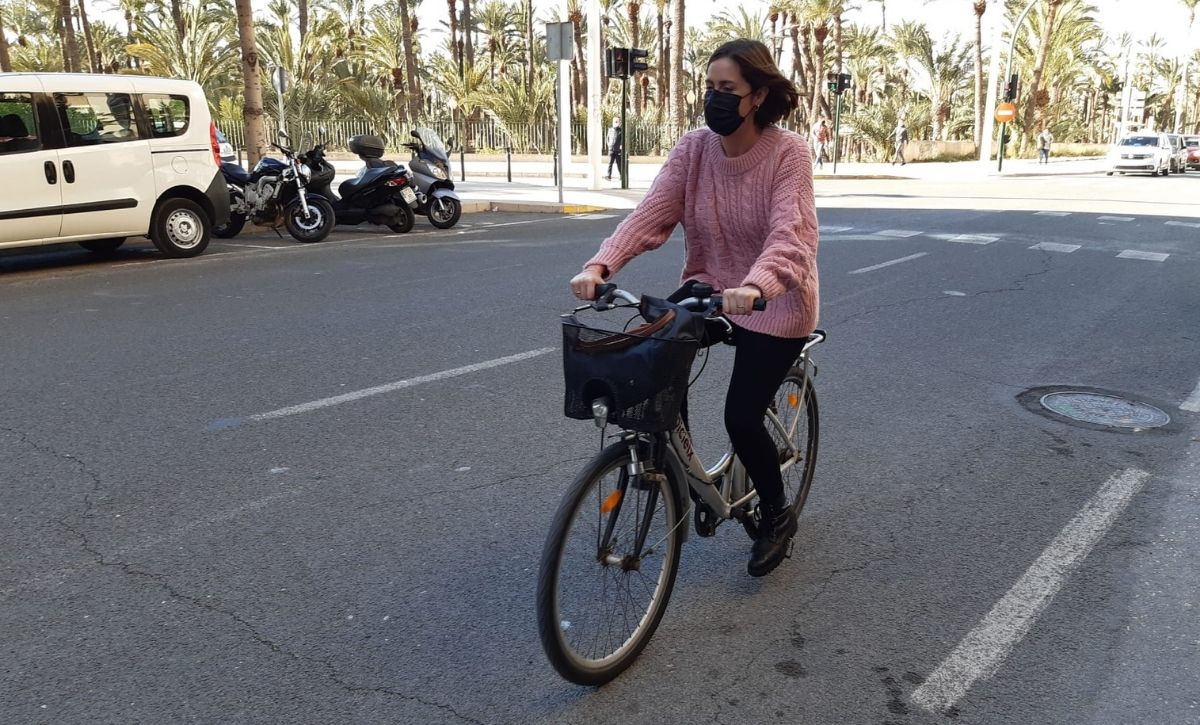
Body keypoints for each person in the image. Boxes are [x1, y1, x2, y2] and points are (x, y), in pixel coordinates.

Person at [569, 38, 819, 578]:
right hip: (710, 288)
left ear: (757, 96)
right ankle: (672, 467)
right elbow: (651, 214)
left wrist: (755, 287)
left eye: (727, 89)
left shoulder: (788, 152)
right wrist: (600, 267)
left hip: (774, 300)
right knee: (654, 362)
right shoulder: (694, 149)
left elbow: (791, 237)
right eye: (710, 88)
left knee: (741, 416)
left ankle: (777, 515)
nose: (715, 99)